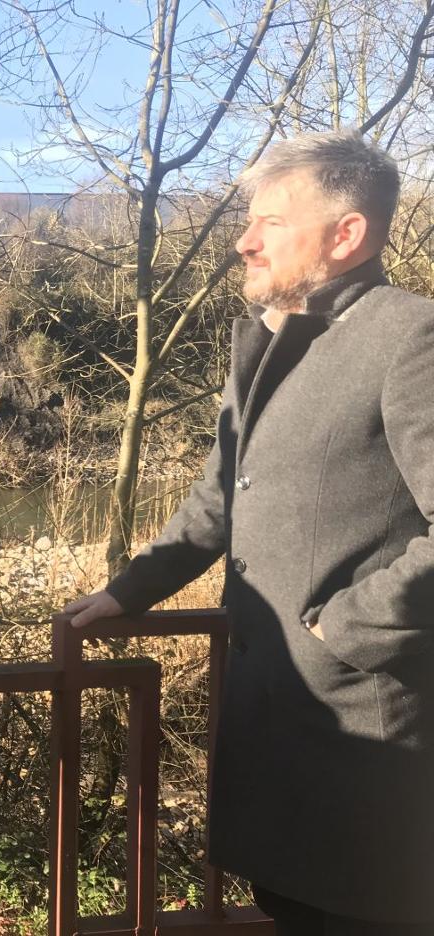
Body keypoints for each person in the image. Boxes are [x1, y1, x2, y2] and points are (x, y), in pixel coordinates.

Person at [64, 130, 434, 935]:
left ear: (347, 234)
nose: (244, 241)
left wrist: (346, 626)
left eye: (271, 221)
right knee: (286, 907)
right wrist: (127, 593)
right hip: (273, 733)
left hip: (369, 743)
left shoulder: (412, 337)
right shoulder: (271, 345)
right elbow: (219, 500)